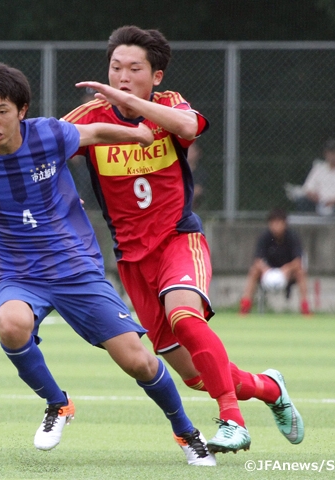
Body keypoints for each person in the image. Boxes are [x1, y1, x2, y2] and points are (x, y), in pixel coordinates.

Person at [0, 62, 216, 466]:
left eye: (2, 111)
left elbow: (96, 132)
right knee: (11, 324)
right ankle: (58, 404)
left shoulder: (48, 135)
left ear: (22, 110)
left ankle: (186, 432)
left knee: (138, 361)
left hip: (74, 268)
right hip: (16, 274)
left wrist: (139, 134)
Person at [63, 26, 304, 454]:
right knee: (195, 376)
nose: (122, 77)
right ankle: (270, 388)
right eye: (115, 68)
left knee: (184, 316)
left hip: (178, 238)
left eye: (134, 69)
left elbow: (190, 126)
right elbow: (37, 148)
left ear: (156, 76)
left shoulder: (169, 104)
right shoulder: (92, 115)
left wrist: (132, 104)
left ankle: (232, 421)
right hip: (132, 260)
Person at [239, 208, 310, 315]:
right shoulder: (264, 237)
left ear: (285, 224)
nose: (276, 226)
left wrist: (287, 269)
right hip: (268, 272)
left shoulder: (293, 237)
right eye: (273, 223)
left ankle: (305, 308)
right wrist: (265, 269)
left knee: (300, 272)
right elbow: (257, 260)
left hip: (288, 274)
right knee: (253, 271)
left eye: (279, 223)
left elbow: (298, 261)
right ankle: (245, 307)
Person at [294, 138, 335, 215]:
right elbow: (308, 188)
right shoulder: (318, 168)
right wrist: (318, 199)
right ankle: (308, 222)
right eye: (330, 152)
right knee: (302, 201)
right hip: (319, 202)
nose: (333, 155)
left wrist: (334, 201)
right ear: (325, 154)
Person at [187, 142, 206, 209]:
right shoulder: (176, 170)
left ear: (198, 153)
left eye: (192, 151)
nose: (189, 153)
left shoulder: (200, 172)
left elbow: (198, 189)